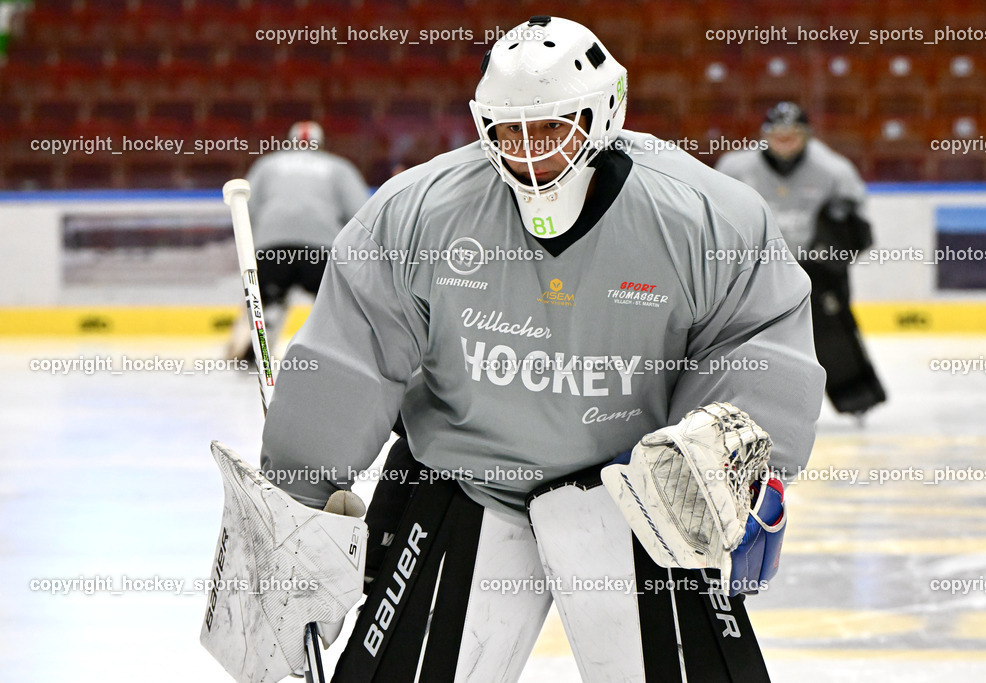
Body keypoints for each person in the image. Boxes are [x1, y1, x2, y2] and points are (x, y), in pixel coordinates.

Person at [260, 17, 824, 682]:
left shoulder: (707, 217)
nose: (527, 150)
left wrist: (731, 455)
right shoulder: (418, 212)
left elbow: (760, 340)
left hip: (640, 500)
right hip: (466, 485)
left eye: (552, 126)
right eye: (508, 130)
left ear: (603, 112)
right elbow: (348, 359)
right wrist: (295, 512)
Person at [717, 102, 886, 418]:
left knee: (829, 329)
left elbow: (857, 226)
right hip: (755, 267)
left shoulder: (834, 171)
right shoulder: (735, 168)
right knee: (747, 333)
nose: (784, 141)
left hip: (816, 267)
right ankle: (744, 401)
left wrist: (833, 248)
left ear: (806, 135)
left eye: (792, 135)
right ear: (764, 134)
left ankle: (856, 397)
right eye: (776, 134)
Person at [225, 121, 369, 362]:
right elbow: (361, 213)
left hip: (272, 246)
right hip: (321, 248)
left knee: (268, 300)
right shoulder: (339, 167)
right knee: (333, 304)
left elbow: (245, 209)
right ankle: (340, 349)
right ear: (321, 143)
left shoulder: (268, 164)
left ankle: (259, 343)